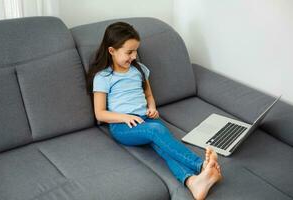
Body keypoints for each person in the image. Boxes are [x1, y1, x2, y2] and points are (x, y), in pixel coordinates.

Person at [87, 21, 222, 200]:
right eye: (129, 52)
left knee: (163, 147)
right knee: (157, 131)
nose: (134, 56)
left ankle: (193, 182)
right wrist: (124, 117)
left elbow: (149, 96)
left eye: (136, 51)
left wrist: (152, 108)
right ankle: (202, 166)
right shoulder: (103, 77)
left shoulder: (140, 70)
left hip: (146, 119)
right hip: (122, 126)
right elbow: (100, 114)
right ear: (112, 51)